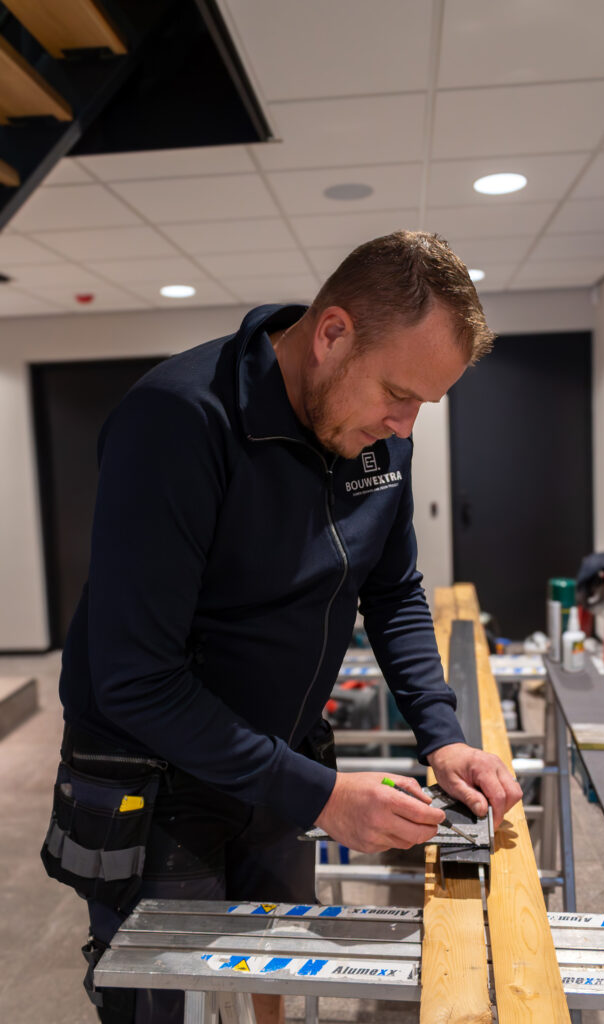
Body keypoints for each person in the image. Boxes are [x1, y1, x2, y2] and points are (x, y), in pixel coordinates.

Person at [43, 231, 522, 1024]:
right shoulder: (178, 420)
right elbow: (136, 678)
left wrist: (441, 735)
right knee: (170, 1001)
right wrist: (325, 798)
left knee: (278, 974)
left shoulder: (376, 436)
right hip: (159, 778)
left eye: (422, 408)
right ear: (331, 334)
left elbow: (392, 587)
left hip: (281, 758)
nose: (403, 427)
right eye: (397, 394)